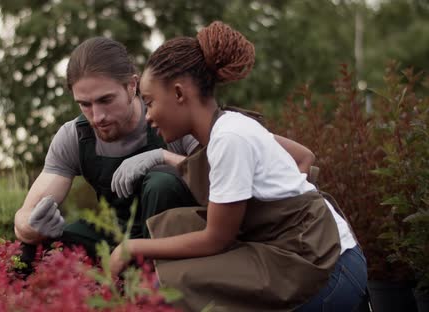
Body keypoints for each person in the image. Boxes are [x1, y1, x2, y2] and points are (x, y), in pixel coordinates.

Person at [109, 21, 367, 312]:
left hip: (329, 270)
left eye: (150, 102)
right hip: (317, 253)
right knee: (175, 226)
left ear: (180, 94)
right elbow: (303, 156)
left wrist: (132, 247)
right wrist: (276, 210)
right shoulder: (230, 124)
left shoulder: (230, 137)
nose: (148, 117)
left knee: (172, 286)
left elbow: (217, 239)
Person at [14, 36, 320, 275]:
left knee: (160, 181)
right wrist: (32, 227)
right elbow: (26, 215)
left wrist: (160, 156)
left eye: (106, 100)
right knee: (47, 248)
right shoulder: (73, 135)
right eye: (85, 104)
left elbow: (222, 175)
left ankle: (150, 284)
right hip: (117, 233)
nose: (98, 116)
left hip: (180, 235)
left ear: (132, 86)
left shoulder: (174, 118)